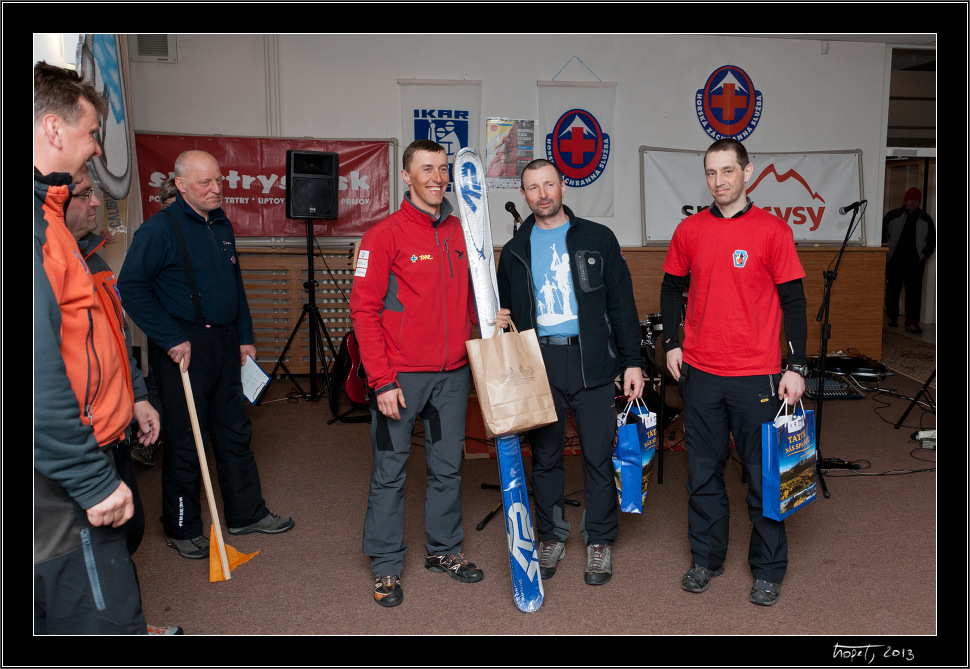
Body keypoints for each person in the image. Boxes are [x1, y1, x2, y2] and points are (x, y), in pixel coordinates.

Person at [118, 149, 293, 561]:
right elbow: (131, 287)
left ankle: (246, 513)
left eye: (219, 181)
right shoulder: (158, 231)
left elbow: (236, 284)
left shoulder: (222, 224)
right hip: (183, 349)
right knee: (185, 440)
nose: (217, 189)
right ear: (180, 185)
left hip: (226, 343)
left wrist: (245, 337)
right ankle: (182, 527)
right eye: (206, 183)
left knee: (233, 430)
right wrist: (170, 336)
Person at [660, 138, 808, 607]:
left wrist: (796, 366)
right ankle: (705, 559)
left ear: (747, 172)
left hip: (758, 377)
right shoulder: (690, 230)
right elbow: (670, 289)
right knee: (702, 474)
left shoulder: (773, 231)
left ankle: (767, 569)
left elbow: (794, 303)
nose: (719, 181)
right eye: (711, 172)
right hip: (701, 375)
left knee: (765, 477)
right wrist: (673, 343)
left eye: (727, 171)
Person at [33, 61, 148, 634]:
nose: (98, 149)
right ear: (53, 130)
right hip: (61, 484)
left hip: (81, 457)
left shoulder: (52, 223)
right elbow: (33, 372)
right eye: (91, 132)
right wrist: (91, 479)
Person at [496, 159, 645, 586]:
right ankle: (552, 536)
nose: (542, 194)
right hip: (539, 363)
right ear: (524, 195)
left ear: (563, 187)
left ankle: (599, 540)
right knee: (544, 458)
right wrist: (497, 319)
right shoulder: (516, 250)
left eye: (549, 184)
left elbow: (622, 307)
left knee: (598, 455)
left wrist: (632, 361)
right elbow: (504, 313)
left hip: (592, 362)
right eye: (532, 188)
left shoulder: (598, 238)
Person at [349, 139, 484, 608]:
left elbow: (469, 294)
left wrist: (487, 317)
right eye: (426, 169)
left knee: (448, 468)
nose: (437, 177)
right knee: (391, 470)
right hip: (401, 379)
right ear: (406, 176)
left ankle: (444, 550)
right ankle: (386, 565)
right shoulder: (383, 235)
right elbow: (364, 312)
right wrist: (382, 380)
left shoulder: (461, 230)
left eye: (442, 169)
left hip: (452, 377)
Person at [130, 177, 179, 467]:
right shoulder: (151, 233)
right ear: (162, 205)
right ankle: (147, 444)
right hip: (163, 328)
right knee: (159, 386)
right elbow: (136, 285)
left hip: (189, 328)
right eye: (171, 206)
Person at [882, 186, 936, 334]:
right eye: (910, 199)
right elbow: (882, 234)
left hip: (915, 262)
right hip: (895, 260)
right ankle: (892, 317)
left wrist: (925, 254)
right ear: (905, 200)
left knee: (914, 292)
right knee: (893, 289)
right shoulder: (893, 216)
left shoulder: (925, 219)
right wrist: (885, 253)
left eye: (916, 200)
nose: (913, 203)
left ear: (919, 202)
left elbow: (932, 239)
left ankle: (911, 322)